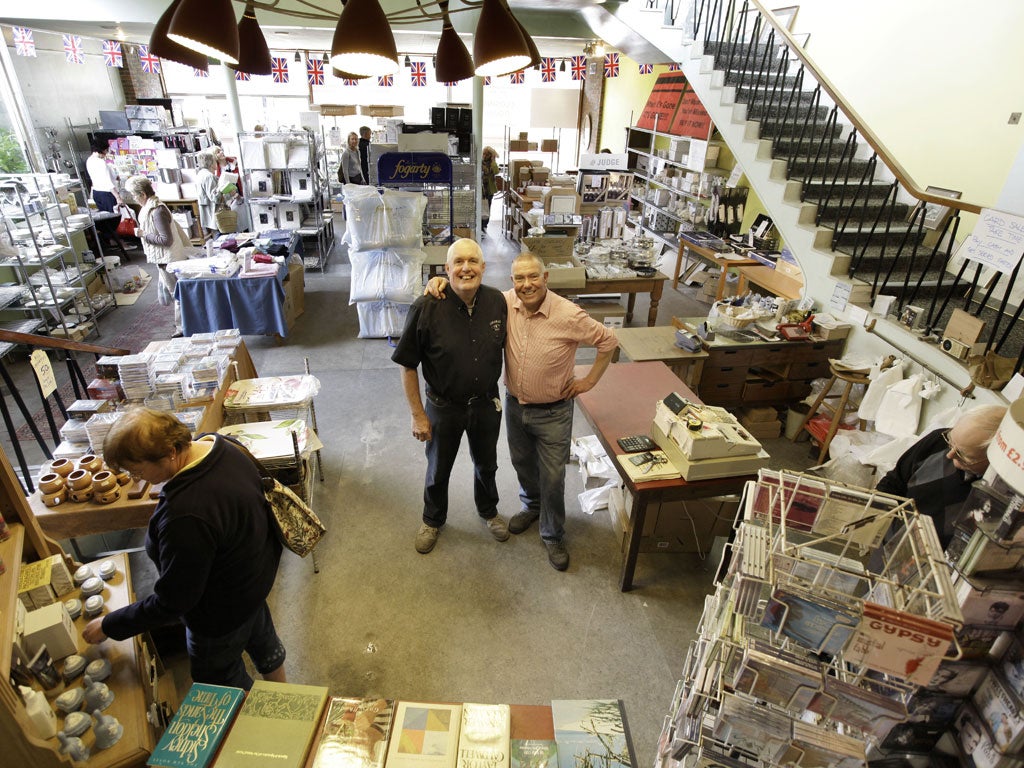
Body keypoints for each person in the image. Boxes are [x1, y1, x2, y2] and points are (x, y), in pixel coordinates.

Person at [427, 253, 618, 570]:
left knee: (554, 476)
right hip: (515, 406)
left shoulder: (569, 314)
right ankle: (531, 506)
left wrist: (589, 381)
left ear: (546, 278)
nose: (526, 285)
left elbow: (608, 341)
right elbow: (467, 293)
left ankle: (553, 533)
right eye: (519, 278)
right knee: (521, 463)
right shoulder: (503, 304)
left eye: (533, 277)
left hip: (554, 411)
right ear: (511, 281)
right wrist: (439, 284)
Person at [81, 408, 287, 690]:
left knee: (220, 682)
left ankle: (260, 725)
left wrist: (110, 624)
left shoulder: (187, 514)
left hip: (219, 613)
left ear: (170, 452)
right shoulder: (220, 445)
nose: (135, 479)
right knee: (265, 646)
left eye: (138, 470)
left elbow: (173, 601)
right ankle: (284, 694)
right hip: (250, 582)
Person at [391, 239, 509, 555]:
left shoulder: (498, 302)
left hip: (486, 404)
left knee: (487, 464)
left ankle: (489, 511)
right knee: (438, 468)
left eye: (473, 261)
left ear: (483, 268)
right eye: (458, 262)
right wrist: (418, 414)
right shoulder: (426, 307)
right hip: (443, 407)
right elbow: (407, 365)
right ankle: (432, 520)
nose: (465, 268)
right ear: (446, 269)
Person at [875, 404, 1007, 547]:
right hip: (889, 539)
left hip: (935, 563)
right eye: (951, 442)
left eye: (963, 454)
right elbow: (893, 483)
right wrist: (874, 527)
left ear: (995, 457)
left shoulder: (1000, 492)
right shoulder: (938, 441)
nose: (950, 455)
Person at [124, 175, 188, 337]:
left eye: (134, 195)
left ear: (143, 195)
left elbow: (166, 240)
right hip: (165, 258)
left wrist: (143, 234)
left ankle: (183, 327)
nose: (134, 199)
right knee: (177, 293)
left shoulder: (157, 211)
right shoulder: (154, 208)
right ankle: (184, 325)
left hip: (169, 259)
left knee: (178, 294)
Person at [86, 141, 122, 214]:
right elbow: (107, 182)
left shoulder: (89, 160)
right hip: (106, 194)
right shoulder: (101, 162)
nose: (106, 153)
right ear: (102, 150)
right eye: (106, 150)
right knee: (113, 217)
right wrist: (118, 197)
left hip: (97, 193)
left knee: (105, 216)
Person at [195, 151, 222, 237]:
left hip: (208, 213)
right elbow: (215, 198)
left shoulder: (200, 174)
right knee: (220, 237)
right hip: (215, 213)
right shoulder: (209, 176)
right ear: (210, 163)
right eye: (214, 161)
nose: (216, 163)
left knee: (216, 235)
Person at [480, 146, 499, 232]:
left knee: (487, 207)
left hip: (489, 189)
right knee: (480, 207)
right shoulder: (480, 162)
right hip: (481, 189)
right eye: (484, 153)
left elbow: (496, 171)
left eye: (487, 154)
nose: (485, 156)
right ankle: (480, 224)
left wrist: (493, 160)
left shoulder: (492, 163)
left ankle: (484, 225)